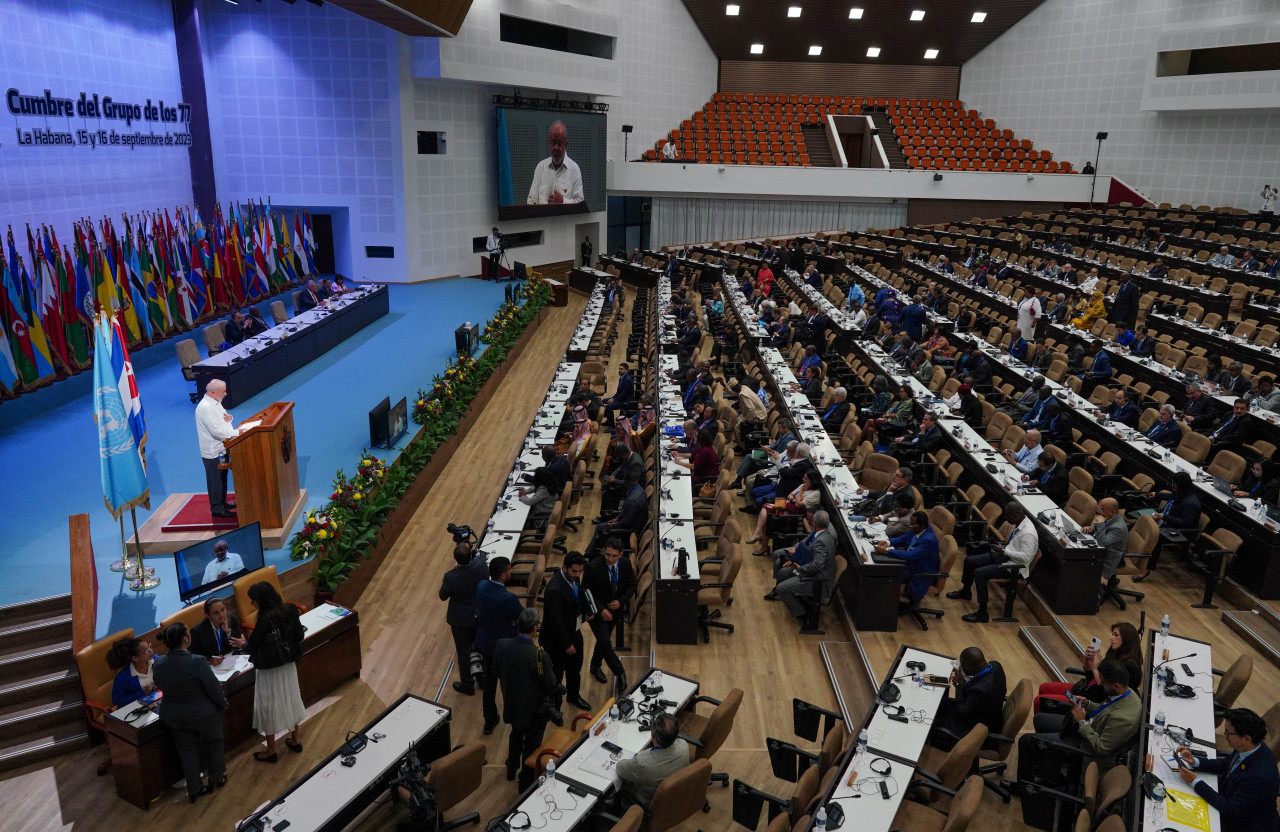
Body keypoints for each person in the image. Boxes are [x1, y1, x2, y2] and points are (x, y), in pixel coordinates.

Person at [153, 623, 228, 802]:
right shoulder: (197, 661)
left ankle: (194, 789)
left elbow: (160, 685)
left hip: (173, 716)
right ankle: (216, 777)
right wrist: (223, 703)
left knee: (187, 751)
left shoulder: (159, 663)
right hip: (202, 714)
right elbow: (213, 688)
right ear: (186, 639)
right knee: (214, 741)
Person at [1023, 658, 1142, 768]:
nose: (1102, 686)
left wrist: (1082, 722)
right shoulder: (1126, 691)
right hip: (1087, 728)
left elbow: (1101, 749)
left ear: (1116, 685)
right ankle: (1044, 762)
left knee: (1025, 741)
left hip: (1084, 750)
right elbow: (1105, 709)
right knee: (1039, 720)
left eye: (1104, 683)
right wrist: (1088, 703)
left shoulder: (1123, 719)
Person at [1176, 707, 1280, 832]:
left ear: (1247, 738)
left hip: (1243, 825)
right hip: (1230, 799)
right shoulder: (1250, 746)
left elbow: (1230, 809)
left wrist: (1195, 781)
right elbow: (1226, 764)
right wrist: (1195, 762)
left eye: (1228, 732)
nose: (1225, 735)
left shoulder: (1258, 777)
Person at [494, 608, 559, 790]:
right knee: (532, 745)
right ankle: (525, 782)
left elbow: (496, 671)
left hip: (512, 705)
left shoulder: (501, 645)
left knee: (515, 735)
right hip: (534, 711)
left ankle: (510, 767)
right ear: (535, 628)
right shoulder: (539, 655)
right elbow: (550, 684)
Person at [245, 581, 306, 762]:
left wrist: (243, 644)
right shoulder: (290, 609)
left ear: (261, 600)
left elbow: (252, 646)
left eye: (253, 600)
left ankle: (271, 750)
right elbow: (299, 636)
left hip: (269, 670)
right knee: (291, 698)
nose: (251, 604)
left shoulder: (264, 618)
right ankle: (296, 739)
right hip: (288, 666)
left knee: (269, 706)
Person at [948, 503, 1038, 622]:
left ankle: (982, 613)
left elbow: (1026, 558)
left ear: (1015, 515)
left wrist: (1005, 550)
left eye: (1008, 516)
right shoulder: (1019, 523)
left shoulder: (1028, 533)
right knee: (969, 560)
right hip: (1004, 556)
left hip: (1012, 566)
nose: (1006, 519)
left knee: (980, 573)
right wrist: (1003, 548)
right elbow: (1015, 546)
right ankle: (966, 591)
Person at [1037, 622, 1141, 713]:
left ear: (1126, 638)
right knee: (1044, 687)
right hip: (1085, 689)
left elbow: (1106, 689)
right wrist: (1088, 662)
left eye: (1116, 635)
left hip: (1090, 702)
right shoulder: (1115, 654)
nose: (1111, 638)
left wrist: (1096, 667)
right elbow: (1092, 676)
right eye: (1112, 634)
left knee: (1039, 700)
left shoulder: (1129, 667)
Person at [476, 557, 524, 734]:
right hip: (504, 649)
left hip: (484, 645)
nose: (512, 571)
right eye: (510, 569)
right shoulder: (509, 598)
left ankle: (490, 720)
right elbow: (522, 616)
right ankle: (513, 718)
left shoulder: (481, 586)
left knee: (488, 687)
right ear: (504, 575)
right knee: (508, 686)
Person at [540, 553, 593, 712]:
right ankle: (555, 707)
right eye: (574, 572)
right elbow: (556, 622)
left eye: (580, 571)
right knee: (556, 675)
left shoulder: (574, 579)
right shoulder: (554, 589)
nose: (578, 575)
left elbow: (577, 600)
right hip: (558, 641)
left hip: (574, 632)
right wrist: (567, 644)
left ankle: (573, 695)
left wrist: (584, 613)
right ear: (564, 568)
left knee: (575, 668)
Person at [765, 511, 838, 625]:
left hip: (816, 579)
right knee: (784, 572)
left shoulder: (821, 542)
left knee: (781, 588)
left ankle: (801, 613)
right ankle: (794, 598)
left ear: (814, 523)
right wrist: (794, 560)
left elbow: (817, 565)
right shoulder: (821, 533)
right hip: (809, 570)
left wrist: (800, 568)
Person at [929, 647, 1008, 751]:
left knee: (930, 723)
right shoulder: (996, 666)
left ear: (970, 667)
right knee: (939, 703)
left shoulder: (980, 690)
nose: (961, 668)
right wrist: (967, 682)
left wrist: (959, 685)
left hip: (978, 726)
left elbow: (962, 712)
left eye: (963, 666)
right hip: (989, 713)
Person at [583, 538, 634, 693]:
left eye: (614, 556)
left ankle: (594, 665)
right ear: (603, 551)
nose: (610, 559)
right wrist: (599, 609)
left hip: (615, 611)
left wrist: (621, 601)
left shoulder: (625, 564)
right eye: (608, 555)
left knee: (602, 640)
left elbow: (632, 585)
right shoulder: (593, 567)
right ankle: (620, 672)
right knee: (605, 642)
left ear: (621, 554)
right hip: (597, 613)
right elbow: (585, 591)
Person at [1133, 471, 1201, 581]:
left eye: (1174, 483)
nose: (1172, 485)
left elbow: (1184, 522)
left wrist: (1163, 517)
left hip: (1178, 530)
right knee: (1140, 523)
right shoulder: (1181, 492)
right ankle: (1133, 554)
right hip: (1165, 521)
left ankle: (1146, 568)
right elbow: (1171, 496)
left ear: (1181, 484)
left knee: (1154, 537)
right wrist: (1157, 495)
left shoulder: (1192, 503)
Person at [440, 541, 487, 695]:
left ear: (455, 559)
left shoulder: (451, 576)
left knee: (463, 651)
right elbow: (481, 559)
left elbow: (442, 596)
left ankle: (467, 684)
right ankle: (483, 679)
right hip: (479, 614)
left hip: (460, 619)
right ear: (471, 556)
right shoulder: (481, 565)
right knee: (479, 646)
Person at [616, 712, 691, 809]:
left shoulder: (642, 763)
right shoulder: (684, 745)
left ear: (652, 736)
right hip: (671, 797)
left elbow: (619, 768)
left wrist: (640, 755)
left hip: (646, 803)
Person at [875, 510, 940, 605]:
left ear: (920, 527)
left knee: (888, 575)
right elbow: (903, 538)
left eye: (912, 525)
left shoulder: (928, 541)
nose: (909, 526)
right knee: (884, 570)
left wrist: (886, 550)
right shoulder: (917, 530)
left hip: (920, 571)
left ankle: (887, 605)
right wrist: (888, 542)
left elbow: (910, 555)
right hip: (911, 564)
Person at [195, 380, 239, 519]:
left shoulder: (216, 402)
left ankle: (223, 503)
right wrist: (238, 434)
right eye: (223, 391)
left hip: (222, 448)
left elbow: (223, 421)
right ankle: (217, 509)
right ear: (213, 392)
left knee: (222, 478)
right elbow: (216, 432)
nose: (226, 394)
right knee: (215, 481)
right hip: (213, 452)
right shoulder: (205, 408)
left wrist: (230, 418)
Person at [527, 121, 583, 205]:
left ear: (566, 144)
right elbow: (531, 200)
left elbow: (580, 203)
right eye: (553, 143)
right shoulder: (540, 168)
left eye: (559, 143)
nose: (556, 148)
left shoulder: (575, 170)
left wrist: (563, 201)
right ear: (549, 142)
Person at [189, 596, 246, 664]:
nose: (221, 615)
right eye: (216, 613)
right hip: (211, 666)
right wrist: (210, 661)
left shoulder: (231, 619)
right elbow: (192, 655)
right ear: (208, 615)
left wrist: (228, 632)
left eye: (222, 610)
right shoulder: (197, 631)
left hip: (229, 661)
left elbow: (239, 644)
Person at [1090, 498, 1128, 597]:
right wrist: (1090, 529)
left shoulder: (1119, 528)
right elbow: (1101, 527)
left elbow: (1102, 542)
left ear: (1112, 512)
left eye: (1102, 509)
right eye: (1099, 507)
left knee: (1084, 559)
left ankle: (1097, 591)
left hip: (1112, 556)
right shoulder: (1110, 518)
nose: (1099, 511)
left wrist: (1100, 524)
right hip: (1105, 549)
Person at [107, 636, 156, 707]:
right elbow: (116, 700)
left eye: (149, 646)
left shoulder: (155, 661)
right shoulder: (123, 677)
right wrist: (141, 693)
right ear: (135, 658)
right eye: (146, 650)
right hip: (134, 709)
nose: (151, 650)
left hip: (154, 703)